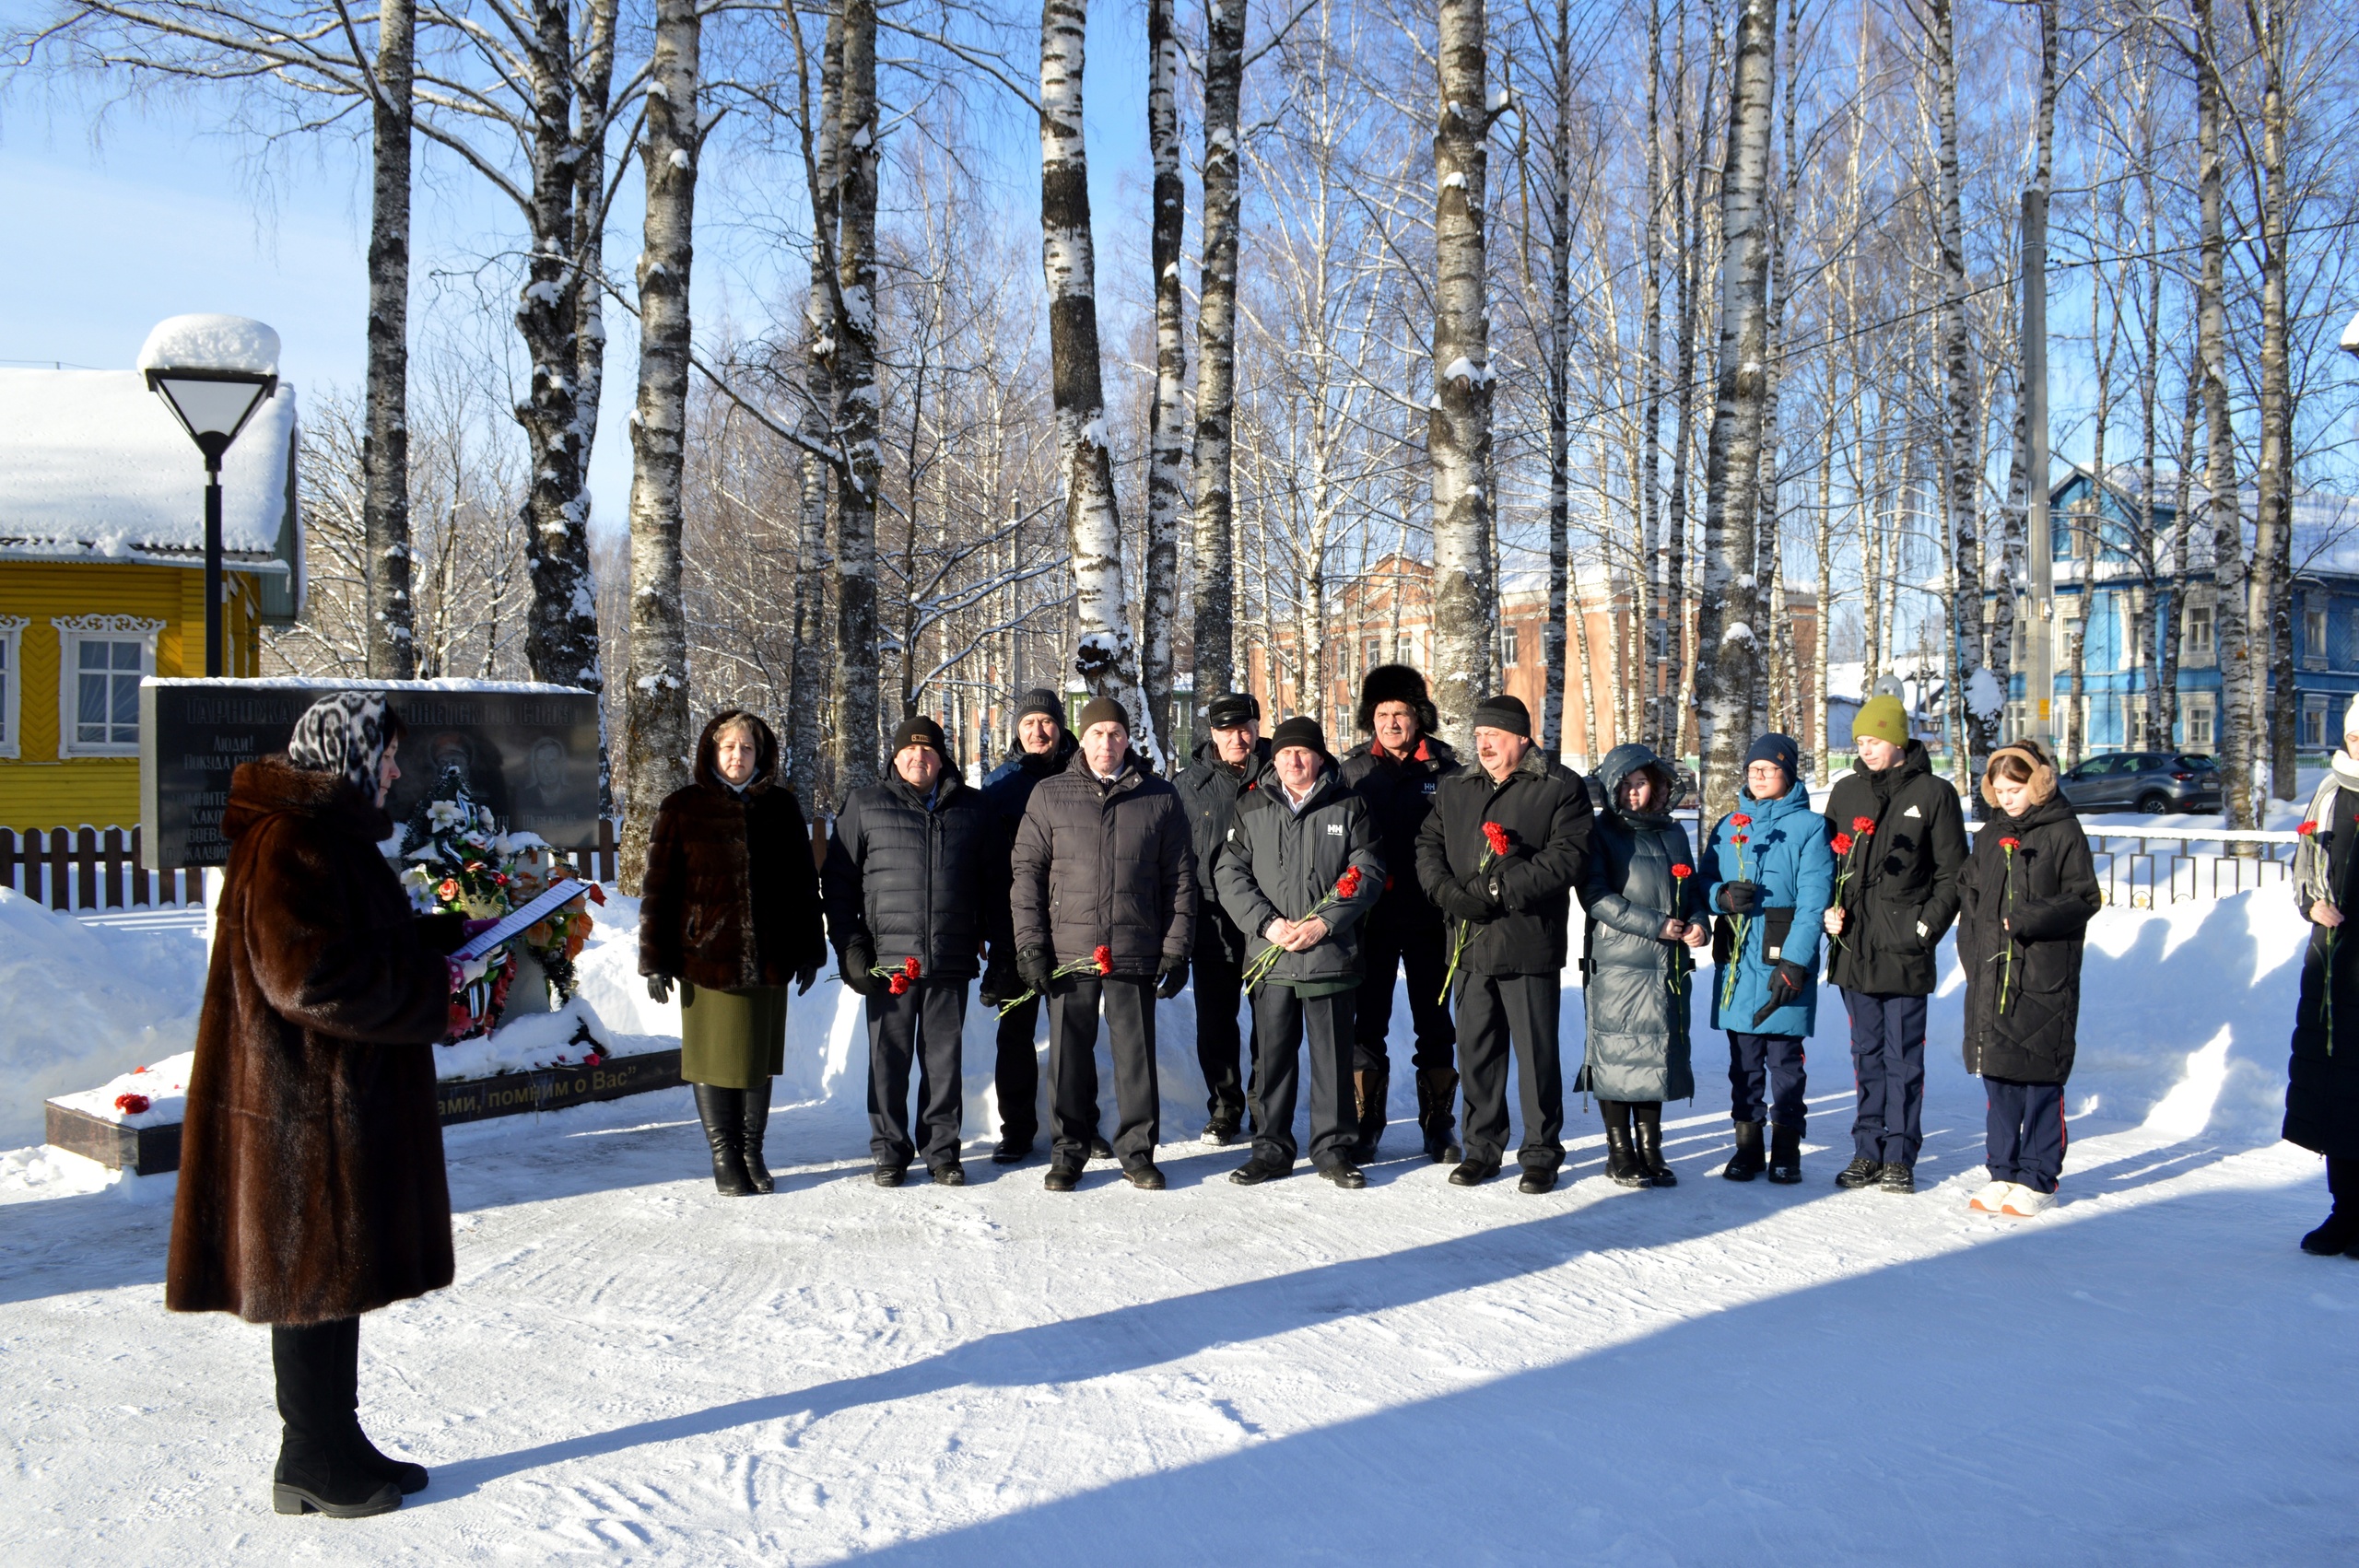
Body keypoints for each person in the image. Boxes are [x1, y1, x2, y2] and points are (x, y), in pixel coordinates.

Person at [167, 692, 466, 1517]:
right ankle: (306, 1456)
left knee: (332, 1279)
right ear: (349, 757)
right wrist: (429, 988)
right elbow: (309, 978)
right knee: (306, 1281)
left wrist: (441, 944)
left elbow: (355, 946)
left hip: (327, 1105)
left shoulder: (326, 839)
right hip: (297, 1111)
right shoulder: (292, 839)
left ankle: (338, 1439)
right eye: (388, 754)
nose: (398, 770)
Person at [1009, 696, 1196, 1191]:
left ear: (1127, 738)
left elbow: (1180, 879)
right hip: (1069, 949)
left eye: (1115, 733)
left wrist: (1176, 949)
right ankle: (1068, 1151)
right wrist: (1030, 945)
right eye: (1096, 733)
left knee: (1135, 1056)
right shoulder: (1050, 794)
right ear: (1083, 738)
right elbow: (1026, 873)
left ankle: (1137, 1152)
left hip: (1134, 945)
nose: (1106, 743)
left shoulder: (1158, 796)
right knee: (1069, 1054)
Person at [640, 710, 826, 1197]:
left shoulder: (781, 807)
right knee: (713, 1059)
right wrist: (655, 960)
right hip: (707, 959)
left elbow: (803, 884)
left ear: (759, 755)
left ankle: (751, 1152)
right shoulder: (682, 807)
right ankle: (724, 1156)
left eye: (747, 748)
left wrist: (810, 948)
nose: (738, 756)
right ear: (712, 752)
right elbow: (659, 888)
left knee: (757, 1060)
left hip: (769, 956)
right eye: (729, 748)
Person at [1415, 693, 1592, 1193]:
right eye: (1478, 736)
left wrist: (1497, 890)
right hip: (1468, 944)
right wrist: (1450, 895)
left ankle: (1540, 1153)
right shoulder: (1456, 787)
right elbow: (1427, 846)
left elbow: (1567, 857)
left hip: (1527, 943)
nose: (1484, 744)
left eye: (1494, 735)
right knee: (1476, 1052)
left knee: (1535, 1054)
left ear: (1521, 738)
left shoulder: (1559, 787)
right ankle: (1482, 1149)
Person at [825, 715, 1000, 1188]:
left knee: (944, 1063)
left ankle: (942, 1151)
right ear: (895, 756)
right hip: (889, 964)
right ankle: (889, 1150)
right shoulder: (865, 805)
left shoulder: (972, 809)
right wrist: (851, 947)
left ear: (942, 758)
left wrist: (986, 932)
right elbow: (839, 883)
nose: (918, 757)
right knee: (889, 1061)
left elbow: (991, 882)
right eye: (910, 749)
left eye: (928, 750)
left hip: (949, 957)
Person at [1215, 715, 1387, 1188]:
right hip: (1272, 958)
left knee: (1332, 1059)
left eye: (1304, 752)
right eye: (1286, 752)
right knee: (1271, 1059)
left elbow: (1367, 871)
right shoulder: (1251, 805)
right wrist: (1267, 925)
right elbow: (1229, 874)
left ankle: (1332, 1149)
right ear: (1274, 759)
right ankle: (1271, 1149)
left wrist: (1323, 923)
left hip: (1329, 955)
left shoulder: (1350, 805)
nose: (1294, 760)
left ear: (1319, 757)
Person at [1819, 694, 1967, 1195]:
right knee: (1865, 1054)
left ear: (1899, 740)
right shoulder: (1846, 792)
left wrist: (1924, 928)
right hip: (1854, 947)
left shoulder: (1934, 794)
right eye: (1859, 741)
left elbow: (1953, 875)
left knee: (1903, 1056)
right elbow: (1830, 865)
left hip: (1904, 948)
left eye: (1875, 740)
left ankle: (1900, 1153)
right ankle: (1866, 1149)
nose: (1866, 750)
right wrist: (1828, 911)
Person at [1958, 739, 2099, 1218]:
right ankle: (2002, 1171)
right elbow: (1970, 896)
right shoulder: (1988, 835)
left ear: (2038, 784)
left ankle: (2039, 1176)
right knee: (1998, 1076)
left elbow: (2085, 897)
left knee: (2038, 1078)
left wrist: (2027, 919)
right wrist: (1972, 951)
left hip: (2042, 975)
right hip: (1992, 974)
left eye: (2015, 788)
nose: (2007, 797)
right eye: (1998, 789)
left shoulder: (2062, 831)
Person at [1338, 663, 1464, 1162]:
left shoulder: (1447, 772)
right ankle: (1368, 1122)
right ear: (1372, 717)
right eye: (1384, 713)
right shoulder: (1351, 772)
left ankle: (1439, 1124)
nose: (1392, 723)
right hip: (1369, 920)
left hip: (1430, 917)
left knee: (1434, 1024)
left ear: (1419, 718)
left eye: (1402, 714)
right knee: (1367, 1024)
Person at [1699, 733, 1833, 1186]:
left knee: (1786, 1064)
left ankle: (1787, 1149)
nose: (1758, 776)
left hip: (1781, 961)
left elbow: (1814, 901)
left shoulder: (1811, 828)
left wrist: (1794, 962)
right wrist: (1720, 896)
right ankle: (1748, 1147)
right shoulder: (1727, 824)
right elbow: (1701, 884)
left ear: (1788, 773)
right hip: (1737, 961)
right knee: (1744, 1062)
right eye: (1753, 768)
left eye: (1769, 769)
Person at [1577, 743, 1707, 1188]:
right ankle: (1620, 1152)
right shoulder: (1601, 832)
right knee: (1617, 1056)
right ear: (1613, 789)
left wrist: (1696, 924)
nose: (1635, 793)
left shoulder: (1674, 833)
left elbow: (1691, 894)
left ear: (1658, 786)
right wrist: (1657, 926)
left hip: (1665, 965)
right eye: (1626, 785)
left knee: (1655, 1054)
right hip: (1618, 962)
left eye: (1642, 783)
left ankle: (1652, 1149)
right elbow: (1595, 897)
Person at [977, 688, 1080, 1164]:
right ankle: (1016, 1128)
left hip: (1074, 923)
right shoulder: (999, 785)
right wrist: (987, 926)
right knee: (1016, 1033)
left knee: (1073, 1032)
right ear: (1016, 731)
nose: (1038, 732)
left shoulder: (1084, 773)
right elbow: (982, 861)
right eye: (1028, 724)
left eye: (1046, 722)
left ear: (1060, 727)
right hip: (1013, 926)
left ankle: (1075, 1127)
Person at [1171, 691, 1271, 1143]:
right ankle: (1225, 1107)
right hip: (1212, 920)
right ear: (1212, 733)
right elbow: (1174, 857)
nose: (1239, 737)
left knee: (1272, 1018)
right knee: (1216, 1021)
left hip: (1272, 917)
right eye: (1228, 729)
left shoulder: (1278, 772)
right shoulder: (1187, 785)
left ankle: (1266, 1106)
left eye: (1246, 727)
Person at [2291, 698, 2359, 1253]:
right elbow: (2305, 862)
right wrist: (2310, 903)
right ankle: (2345, 1211)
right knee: (2339, 1092)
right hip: (2336, 963)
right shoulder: (2331, 789)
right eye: (2357, 735)